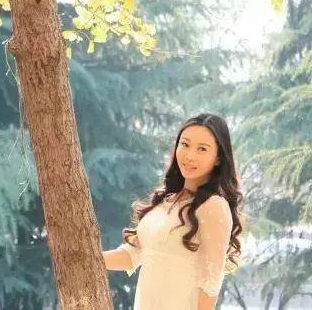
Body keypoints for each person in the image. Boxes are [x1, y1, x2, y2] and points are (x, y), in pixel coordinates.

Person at [102, 113, 244, 310]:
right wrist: (87, 258)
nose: (190, 156)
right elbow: (134, 254)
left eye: (202, 149)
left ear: (218, 158)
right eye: (185, 144)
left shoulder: (213, 206)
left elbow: (211, 281)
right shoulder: (167, 200)